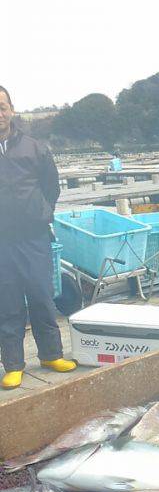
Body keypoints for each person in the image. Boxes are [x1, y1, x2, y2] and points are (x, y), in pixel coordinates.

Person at [0, 86, 77, 389]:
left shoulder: (35, 147)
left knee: (42, 296)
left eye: (2, 106)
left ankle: (50, 354)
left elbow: (51, 187)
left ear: (12, 110)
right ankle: (14, 364)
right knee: (7, 303)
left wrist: (42, 211)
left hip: (34, 236)